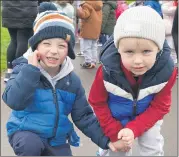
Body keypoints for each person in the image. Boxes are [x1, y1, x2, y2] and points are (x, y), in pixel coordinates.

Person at [2, 10, 123, 156]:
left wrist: (107, 141)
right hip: (26, 133)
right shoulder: (23, 69)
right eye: (47, 43)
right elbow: (14, 101)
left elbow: (84, 116)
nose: (54, 51)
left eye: (61, 46)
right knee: (30, 146)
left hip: (57, 140)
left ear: (68, 51)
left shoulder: (72, 81)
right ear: (36, 47)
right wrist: (31, 70)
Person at [89, 6, 177, 156]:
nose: (137, 61)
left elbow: (160, 106)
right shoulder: (106, 71)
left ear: (159, 48)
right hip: (115, 118)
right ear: (118, 50)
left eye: (146, 51)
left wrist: (134, 128)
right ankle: (105, 149)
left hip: (147, 115)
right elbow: (97, 102)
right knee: (117, 149)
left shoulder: (166, 72)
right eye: (129, 52)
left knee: (152, 148)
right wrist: (114, 132)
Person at [2, 0, 38, 82]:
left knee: (14, 40)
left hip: (9, 9)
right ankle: (18, 71)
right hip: (27, 10)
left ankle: (9, 72)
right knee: (23, 40)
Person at [77, 0, 103, 69]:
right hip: (96, 29)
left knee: (87, 47)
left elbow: (85, 15)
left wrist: (79, 11)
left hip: (88, 30)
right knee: (94, 46)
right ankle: (93, 61)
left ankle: (88, 62)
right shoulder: (99, 4)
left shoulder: (86, 5)